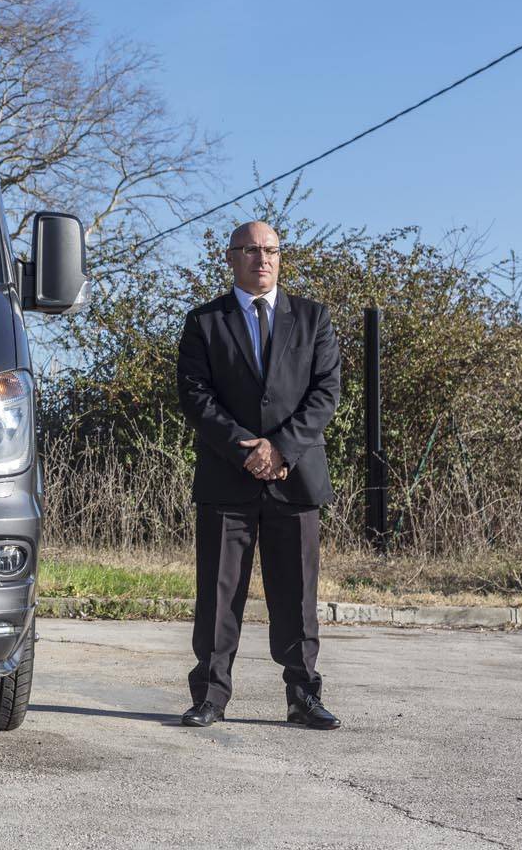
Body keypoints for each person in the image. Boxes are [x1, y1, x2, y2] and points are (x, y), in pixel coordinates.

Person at [175, 220, 343, 730]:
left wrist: (281, 448)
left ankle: (303, 696)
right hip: (228, 478)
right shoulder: (204, 322)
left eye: (270, 250)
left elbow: (325, 393)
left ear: (280, 257)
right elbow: (195, 396)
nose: (261, 259)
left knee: (297, 595)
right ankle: (210, 695)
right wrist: (245, 449)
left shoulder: (314, 319)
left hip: (296, 479)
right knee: (219, 594)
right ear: (230, 258)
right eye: (250, 250)